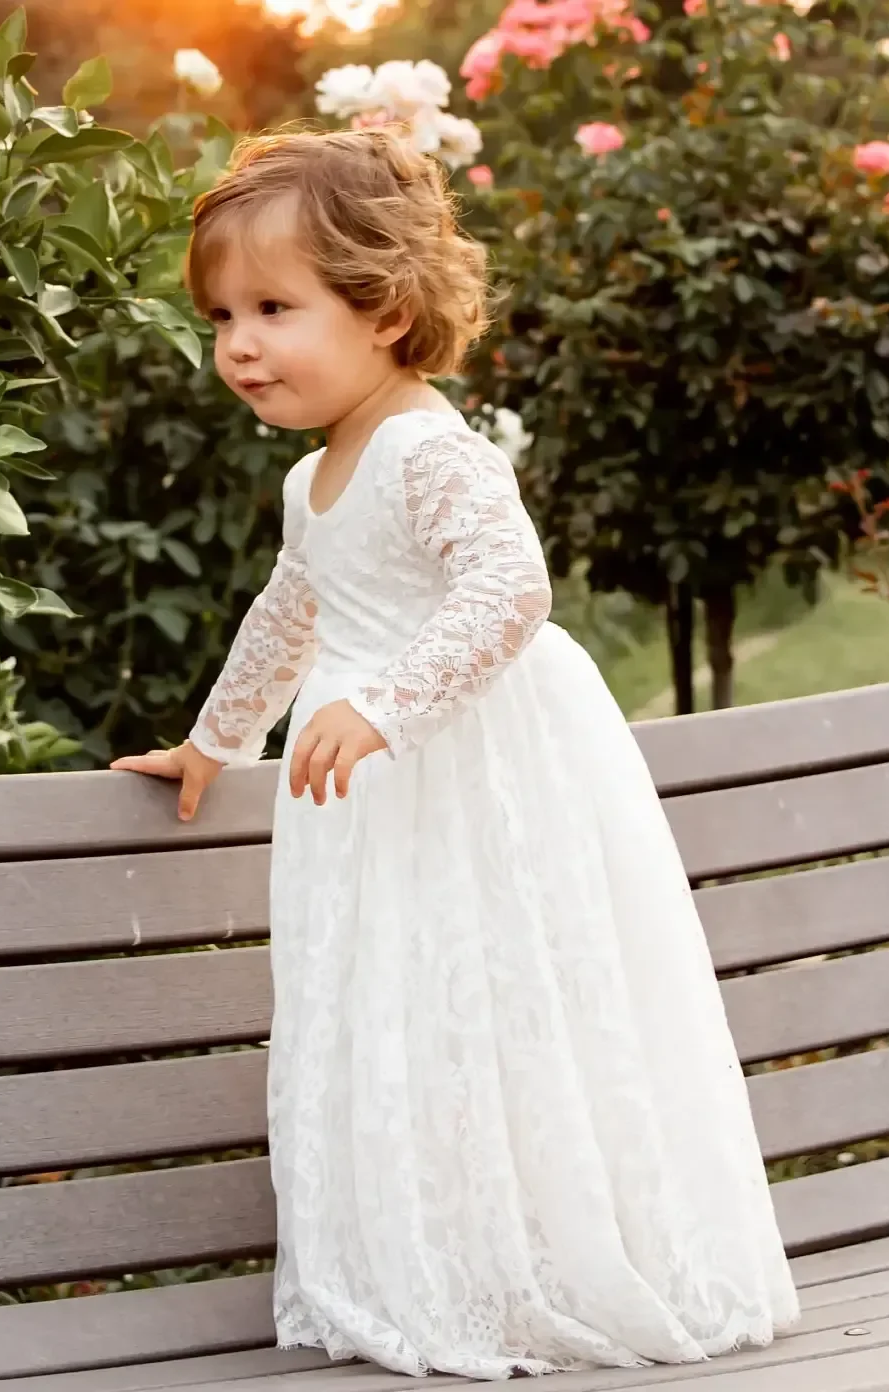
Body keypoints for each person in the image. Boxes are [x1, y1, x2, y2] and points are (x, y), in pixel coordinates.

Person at [110, 126, 799, 1379]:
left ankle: (538, 1257)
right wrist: (215, 743)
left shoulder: (429, 448)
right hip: (379, 800)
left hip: (471, 773)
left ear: (382, 309)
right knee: (399, 1005)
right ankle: (433, 1255)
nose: (239, 345)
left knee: (495, 1002)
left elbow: (510, 588)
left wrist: (382, 705)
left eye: (274, 307)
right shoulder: (314, 477)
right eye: (220, 316)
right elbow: (291, 610)